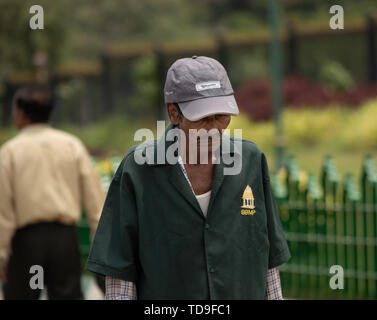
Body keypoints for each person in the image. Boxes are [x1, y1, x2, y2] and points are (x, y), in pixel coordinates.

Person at [86, 56, 291, 300]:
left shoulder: (250, 161)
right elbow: (120, 269)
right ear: (174, 114)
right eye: (203, 119)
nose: (214, 129)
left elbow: (267, 259)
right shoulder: (139, 169)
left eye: (221, 117)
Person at [0, 85, 105, 299]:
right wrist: (101, 244)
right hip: (64, 241)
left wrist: (2, 255)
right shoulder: (71, 145)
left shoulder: (10, 152)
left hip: (26, 244)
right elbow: (95, 201)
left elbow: (4, 212)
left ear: (21, 113)